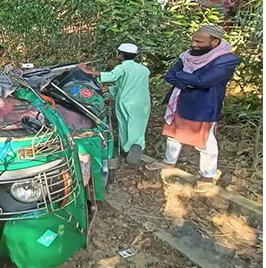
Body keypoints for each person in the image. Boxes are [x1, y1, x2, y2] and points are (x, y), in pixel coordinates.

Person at [146, 25, 240, 192]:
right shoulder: (187, 55)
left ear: (215, 42)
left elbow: (203, 81)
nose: (194, 44)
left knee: (205, 141)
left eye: (199, 42)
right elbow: (170, 75)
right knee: (172, 134)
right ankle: (169, 161)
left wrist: (182, 76)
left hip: (203, 105)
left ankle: (207, 175)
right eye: (194, 40)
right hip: (179, 100)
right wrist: (189, 82)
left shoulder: (227, 59)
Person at [78, 43, 151, 165]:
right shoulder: (144, 70)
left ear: (120, 55)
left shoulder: (122, 68)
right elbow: (126, 84)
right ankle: (135, 145)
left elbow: (112, 76)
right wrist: (109, 89)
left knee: (124, 124)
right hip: (142, 103)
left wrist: (88, 71)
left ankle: (126, 148)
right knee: (137, 125)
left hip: (125, 101)